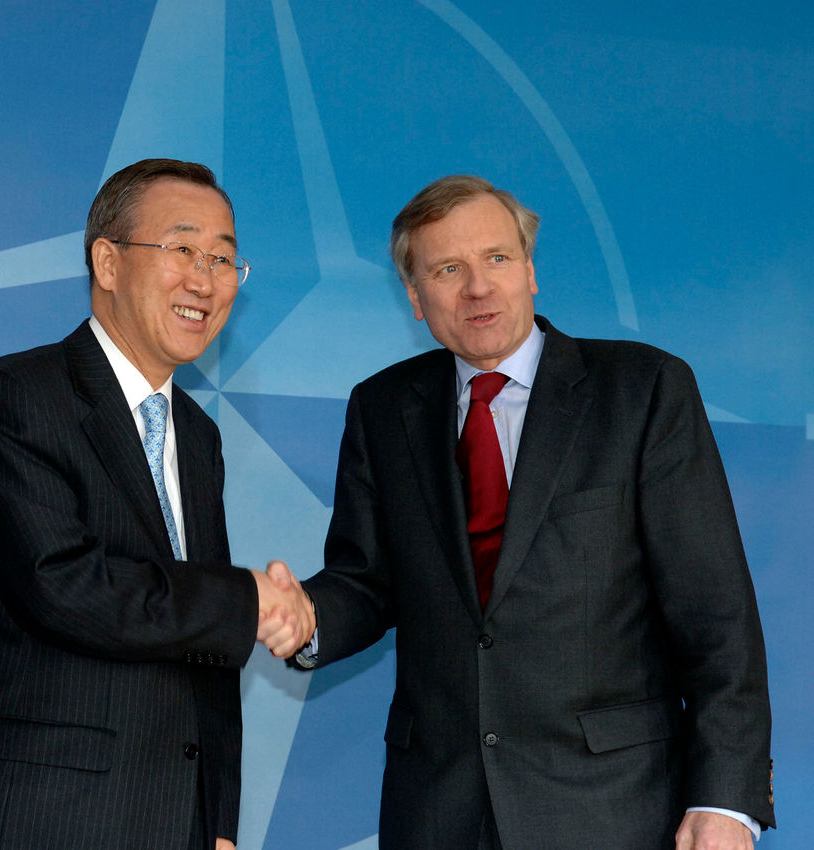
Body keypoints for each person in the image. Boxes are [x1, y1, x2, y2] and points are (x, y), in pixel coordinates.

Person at [273, 175, 774, 848]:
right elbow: (366, 581)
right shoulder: (382, 408)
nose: (478, 287)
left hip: (612, 809)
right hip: (439, 812)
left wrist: (726, 799)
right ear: (415, 297)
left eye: (497, 258)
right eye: (448, 269)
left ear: (530, 271)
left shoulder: (643, 390)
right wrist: (304, 617)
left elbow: (715, 614)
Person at [0, 158, 312, 850]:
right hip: (43, 822)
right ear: (107, 262)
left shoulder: (198, 436)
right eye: (182, 249)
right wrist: (243, 598)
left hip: (174, 823)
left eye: (224, 259)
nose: (205, 280)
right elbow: (62, 586)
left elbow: (200, 653)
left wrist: (217, 820)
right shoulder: (18, 396)